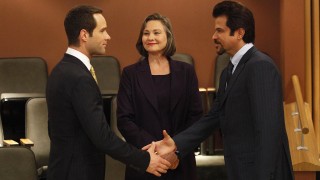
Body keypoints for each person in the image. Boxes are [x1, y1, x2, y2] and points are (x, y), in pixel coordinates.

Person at [144, 1, 294, 180]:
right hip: (240, 169)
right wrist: (175, 144)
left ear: (240, 33)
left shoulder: (260, 66)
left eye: (220, 31)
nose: (213, 36)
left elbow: (268, 132)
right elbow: (213, 117)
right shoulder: (228, 71)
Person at [46, 5, 171, 180]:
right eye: (102, 31)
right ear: (84, 35)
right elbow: (101, 136)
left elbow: (53, 129)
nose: (108, 36)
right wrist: (144, 160)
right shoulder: (79, 77)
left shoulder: (60, 70)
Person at [116, 13, 203, 180]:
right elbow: (124, 119)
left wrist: (175, 150)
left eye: (157, 32)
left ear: (168, 36)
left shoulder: (187, 72)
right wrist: (155, 150)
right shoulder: (130, 74)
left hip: (180, 160)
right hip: (145, 160)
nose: (150, 37)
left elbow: (196, 116)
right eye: (146, 33)